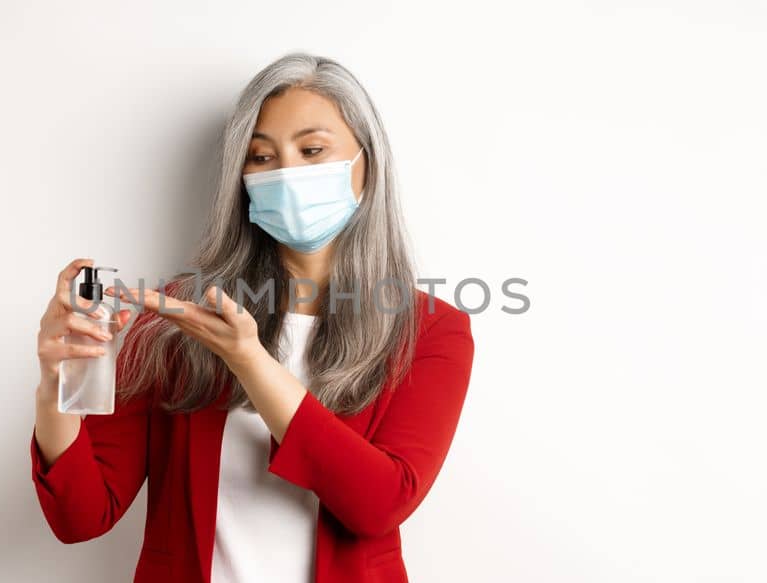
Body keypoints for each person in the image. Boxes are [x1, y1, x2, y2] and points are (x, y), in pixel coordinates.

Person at [30, 52, 475, 583]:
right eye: (261, 157)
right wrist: (55, 386)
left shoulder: (430, 330)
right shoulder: (179, 317)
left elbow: (378, 504)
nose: (286, 174)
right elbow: (81, 516)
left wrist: (249, 360)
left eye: (312, 150)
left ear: (368, 164)